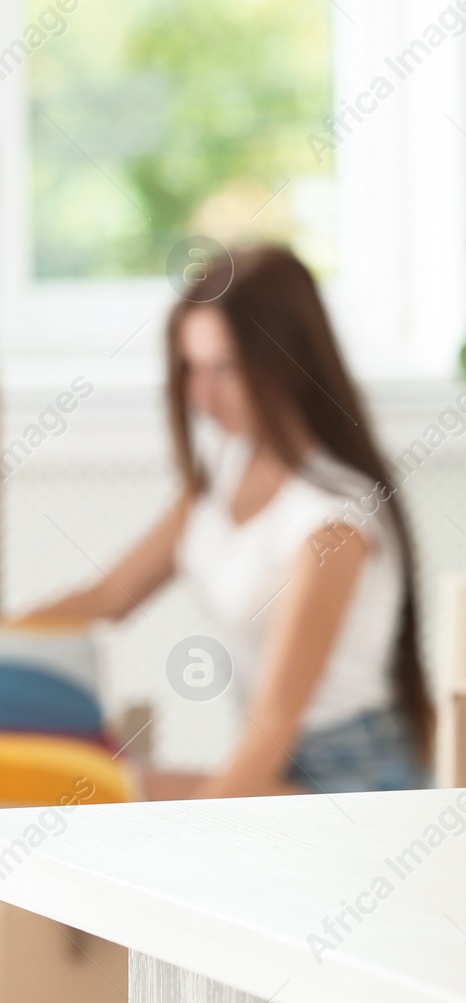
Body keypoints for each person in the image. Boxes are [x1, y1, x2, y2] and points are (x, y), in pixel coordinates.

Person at [24, 245, 432, 796]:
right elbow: (106, 600)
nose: (202, 396)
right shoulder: (227, 465)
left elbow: (275, 723)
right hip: (274, 760)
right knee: (69, 791)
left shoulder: (330, 523)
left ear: (288, 362)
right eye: (190, 368)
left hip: (348, 778)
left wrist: (194, 827)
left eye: (226, 368)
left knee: (100, 807)